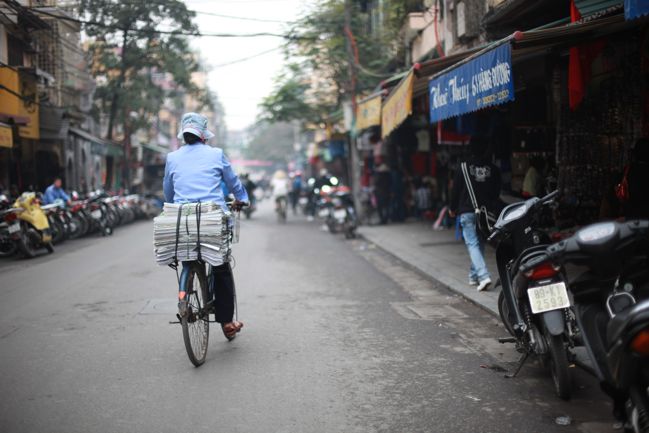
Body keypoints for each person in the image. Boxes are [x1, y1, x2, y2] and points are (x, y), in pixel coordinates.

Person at [163, 112, 248, 340]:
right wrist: (242, 197)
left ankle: (186, 292)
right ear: (204, 136)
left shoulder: (172, 157)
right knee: (221, 266)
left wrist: (174, 206)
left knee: (189, 257)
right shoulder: (216, 154)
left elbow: (168, 192)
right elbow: (233, 182)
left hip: (182, 219)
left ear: (184, 135)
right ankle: (227, 321)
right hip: (211, 218)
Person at [450, 137, 501, 292]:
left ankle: (484, 276)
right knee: (480, 243)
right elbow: (496, 193)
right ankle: (474, 276)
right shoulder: (493, 168)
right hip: (485, 213)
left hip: (467, 211)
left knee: (472, 244)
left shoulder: (463, 166)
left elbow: (455, 190)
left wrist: (452, 208)